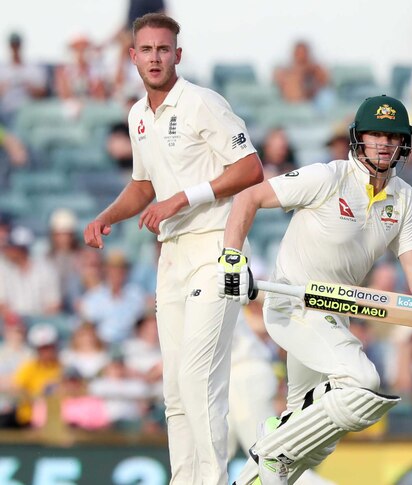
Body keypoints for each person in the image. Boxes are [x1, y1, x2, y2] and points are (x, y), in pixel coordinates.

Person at [218, 95, 412, 485]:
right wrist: (232, 257)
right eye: (375, 134)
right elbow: (249, 196)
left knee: (312, 448)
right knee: (363, 383)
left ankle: (267, 455)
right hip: (295, 304)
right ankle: (274, 447)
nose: (384, 143)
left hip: (336, 312)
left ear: (404, 144)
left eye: (393, 136)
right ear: (358, 139)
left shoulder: (404, 197)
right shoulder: (329, 177)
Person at [82, 13, 264, 485]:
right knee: (175, 389)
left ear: (177, 54)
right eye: (147, 50)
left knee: (198, 377)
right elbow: (143, 186)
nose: (155, 58)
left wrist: (184, 198)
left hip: (215, 247)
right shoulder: (138, 116)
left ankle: (213, 480)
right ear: (133, 56)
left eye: (164, 49)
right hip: (172, 255)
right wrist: (106, 216)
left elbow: (250, 169)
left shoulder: (202, 102)